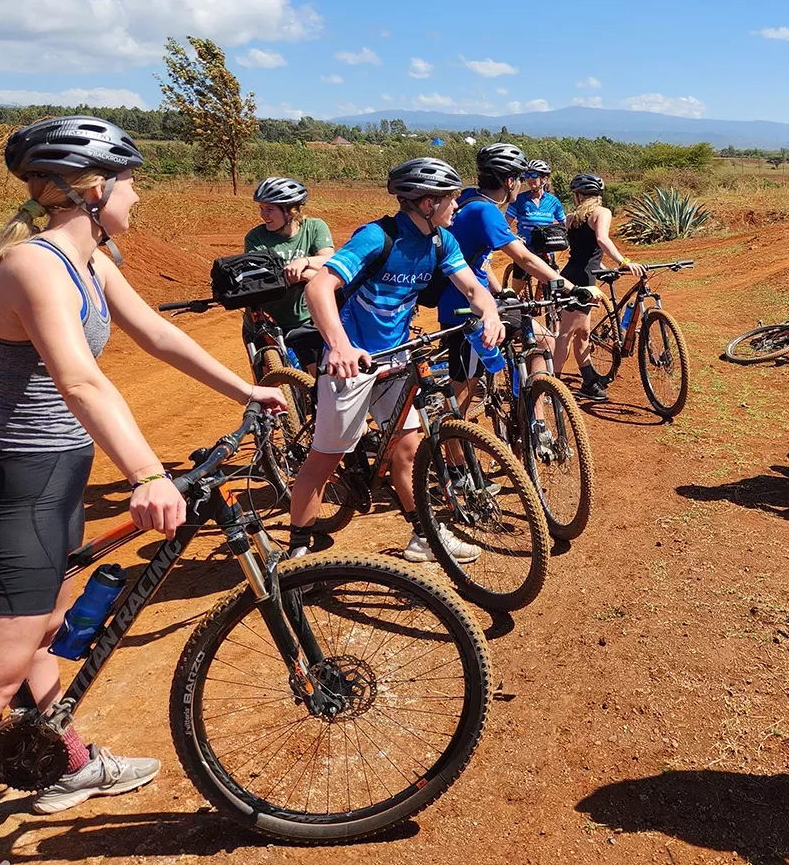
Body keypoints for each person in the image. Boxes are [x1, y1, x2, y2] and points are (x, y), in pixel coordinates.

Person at [0, 116, 288, 865]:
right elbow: (81, 379)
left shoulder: (89, 260)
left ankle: (61, 761)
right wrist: (144, 472)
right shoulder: (34, 267)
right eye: (130, 182)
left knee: (47, 631)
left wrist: (247, 388)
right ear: (93, 190)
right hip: (17, 493)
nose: (138, 195)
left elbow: (157, 339)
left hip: (57, 484)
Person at [287, 157, 504, 564]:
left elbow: (474, 289)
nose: (457, 205)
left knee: (407, 452)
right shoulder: (377, 236)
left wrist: (489, 313)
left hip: (397, 359)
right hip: (353, 361)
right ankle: (298, 552)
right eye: (450, 198)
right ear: (425, 204)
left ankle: (424, 537)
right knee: (324, 460)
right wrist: (339, 346)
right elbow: (320, 287)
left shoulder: (442, 241)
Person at [436, 145, 596, 397]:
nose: (523, 183)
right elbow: (525, 259)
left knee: (536, 338)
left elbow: (475, 258)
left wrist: (501, 291)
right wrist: (572, 288)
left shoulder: (468, 198)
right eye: (521, 178)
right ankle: (531, 426)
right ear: (510, 181)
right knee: (462, 393)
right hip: (467, 309)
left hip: (461, 298)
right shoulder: (486, 211)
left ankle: (531, 419)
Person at [555, 173, 646, 401]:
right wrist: (624, 262)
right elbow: (602, 240)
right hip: (584, 279)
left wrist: (602, 266)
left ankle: (588, 381)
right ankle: (552, 386)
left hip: (574, 274)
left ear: (578, 196)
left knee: (582, 333)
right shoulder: (601, 213)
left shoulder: (571, 218)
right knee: (566, 334)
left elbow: (584, 252)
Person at [244, 176, 333, 371]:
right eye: (261, 208)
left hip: (305, 320)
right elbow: (262, 277)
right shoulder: (255, 238)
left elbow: (329, 261)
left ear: (291, 211)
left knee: (317, 381)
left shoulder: (315, 227)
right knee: (272, 383)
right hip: (265, 322)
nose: (263, 215)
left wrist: (304, 262)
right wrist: (308, 274)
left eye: (270, 209)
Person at [503, 158, 567, 293]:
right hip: (524, 250)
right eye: (527, 175)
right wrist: (513, 238)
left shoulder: (553, 201)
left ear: (544, 179)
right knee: (516, 293)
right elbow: (505, 224)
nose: (529, 179)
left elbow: (564, 224)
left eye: (534, 175)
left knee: (555, 285)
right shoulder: (519, 199)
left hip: (547, 248)